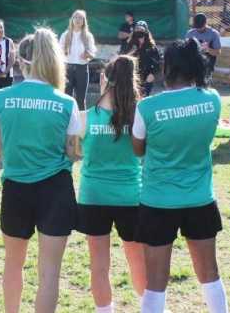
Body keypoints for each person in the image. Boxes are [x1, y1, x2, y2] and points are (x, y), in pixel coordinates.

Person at [0, 28, 82, 313]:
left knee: (13, 265)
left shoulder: (1, 97)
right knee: (50, 273)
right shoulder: (67, 102)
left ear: (20, 62)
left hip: (15, 188)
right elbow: (74, 152)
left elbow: (1, 152)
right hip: (55, 190)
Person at [131, 39, 228, 313]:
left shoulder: (147, 107)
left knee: (156, 281)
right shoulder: (212, 100)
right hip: (199, 198)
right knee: (210, 272)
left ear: (167, 67)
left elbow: (138, 149)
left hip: (158, 201)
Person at [74, 55, 146, 313]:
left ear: (104, 78)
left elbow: (77, 153)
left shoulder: (85, 117)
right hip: (131, 196)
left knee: (99, 265)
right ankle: (151, 308)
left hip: (93, 197)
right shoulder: (140, 114)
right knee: (138, 261)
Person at [60, 10, 97, 110]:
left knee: (80, 100)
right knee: (66, 98)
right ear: (71, 20)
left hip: (82, 69)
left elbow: (93, 54)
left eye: (80, 18)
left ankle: (81, 124)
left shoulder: (88, 36)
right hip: (67, 68)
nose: (77, 20)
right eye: (75, 17)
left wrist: (87, 54)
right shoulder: (65, 34)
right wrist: (63, 52)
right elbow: (58, 52)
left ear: (84, 21)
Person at [125, 22, 161, 97]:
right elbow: (125, 57)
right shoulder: (132, 44)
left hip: (147, 77)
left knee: (144, 97)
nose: (139, 31)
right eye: (137, 29)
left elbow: (157, 63)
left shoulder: (151, 47)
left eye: (141, 29)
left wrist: (152, 74)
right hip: (133, 75)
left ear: (146, 31)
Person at [185, 14, 222, 84]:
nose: (198, 29)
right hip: (192, 67)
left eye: (200, 27)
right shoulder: (190, 33)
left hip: (207, 67)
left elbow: (218, 52)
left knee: (204, 87)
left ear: (206, 23)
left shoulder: (213, 34)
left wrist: (208, 49)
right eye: (197, 27)